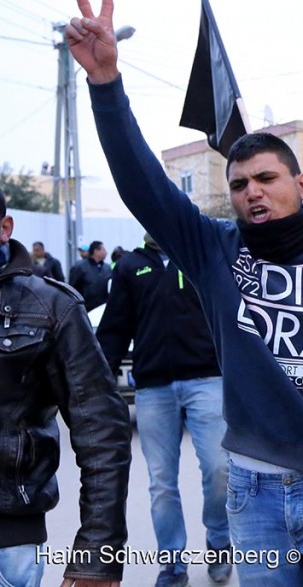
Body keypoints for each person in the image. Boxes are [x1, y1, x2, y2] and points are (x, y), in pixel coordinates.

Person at [68, 0, 303, 585]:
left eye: (266, 177)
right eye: (240, 184)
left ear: (302, 184)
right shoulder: (214, 250)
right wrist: (107, 85)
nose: (252, 191)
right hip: (251, 489)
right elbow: (142, 184)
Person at [0, 192, 132, 587]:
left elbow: (103, 434)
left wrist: (97, 555)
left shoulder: (52, 307)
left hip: (9, 539)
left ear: (5, 229)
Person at [96, 234, 231, 587]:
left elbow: (231, 311)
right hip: (154, 387)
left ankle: (219, 541)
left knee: (219, 469)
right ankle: (172, 563)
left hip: (207, 379)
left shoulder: (199, 255)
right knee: (161, 483)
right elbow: (114, 328)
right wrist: (94, 382)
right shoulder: (130, 266)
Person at [67, 239, 111, 311]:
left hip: (102, 309)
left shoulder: (107, 268)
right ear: (96, 251)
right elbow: (72, 288)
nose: (106, 252)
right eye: (103, 250)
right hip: (85, 309)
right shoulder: (80, 267)